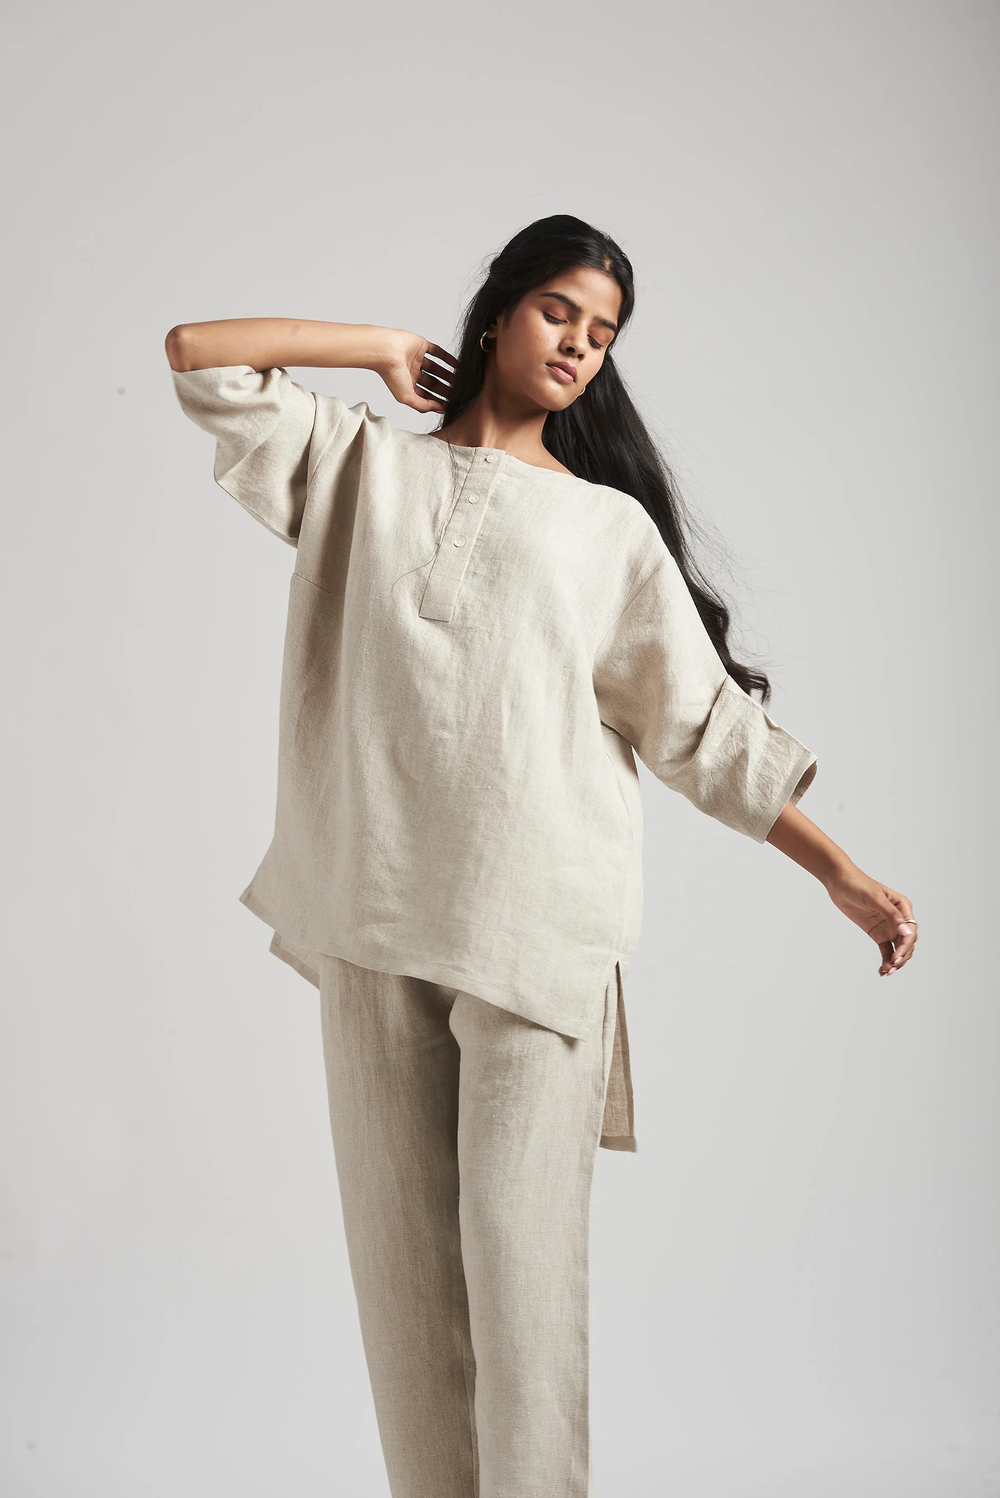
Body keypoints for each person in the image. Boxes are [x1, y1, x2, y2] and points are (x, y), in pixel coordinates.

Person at [165, 214, 917, 1498]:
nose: (578, 344)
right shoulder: (358, 466)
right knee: (407, 1311)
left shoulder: (607, 532)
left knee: (522, 1312)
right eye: (560, 310)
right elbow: (200, 355)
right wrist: (376, 346)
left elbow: (701, 729)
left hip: (537, 943)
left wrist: (836, 867)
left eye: (602, 333)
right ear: (500, 310)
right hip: (373, 921)